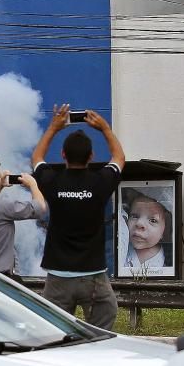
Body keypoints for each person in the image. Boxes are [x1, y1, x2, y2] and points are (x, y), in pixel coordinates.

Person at [31, 104, 125, 330]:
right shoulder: (101, 182)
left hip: (57, 277)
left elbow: (36, 157)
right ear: (91, 156)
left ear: (63, 155)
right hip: (93, 276)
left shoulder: (52, 181)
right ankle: (93, 355)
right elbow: (119, 157)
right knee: (103, 323)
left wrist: (54, 127)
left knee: (55, 332)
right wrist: (105, 128)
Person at [122, 191, 172, 271]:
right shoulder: (121, 245)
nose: (139, 223)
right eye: (134, 216)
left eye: (153, 220)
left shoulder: (166, 265)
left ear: (165, 230)